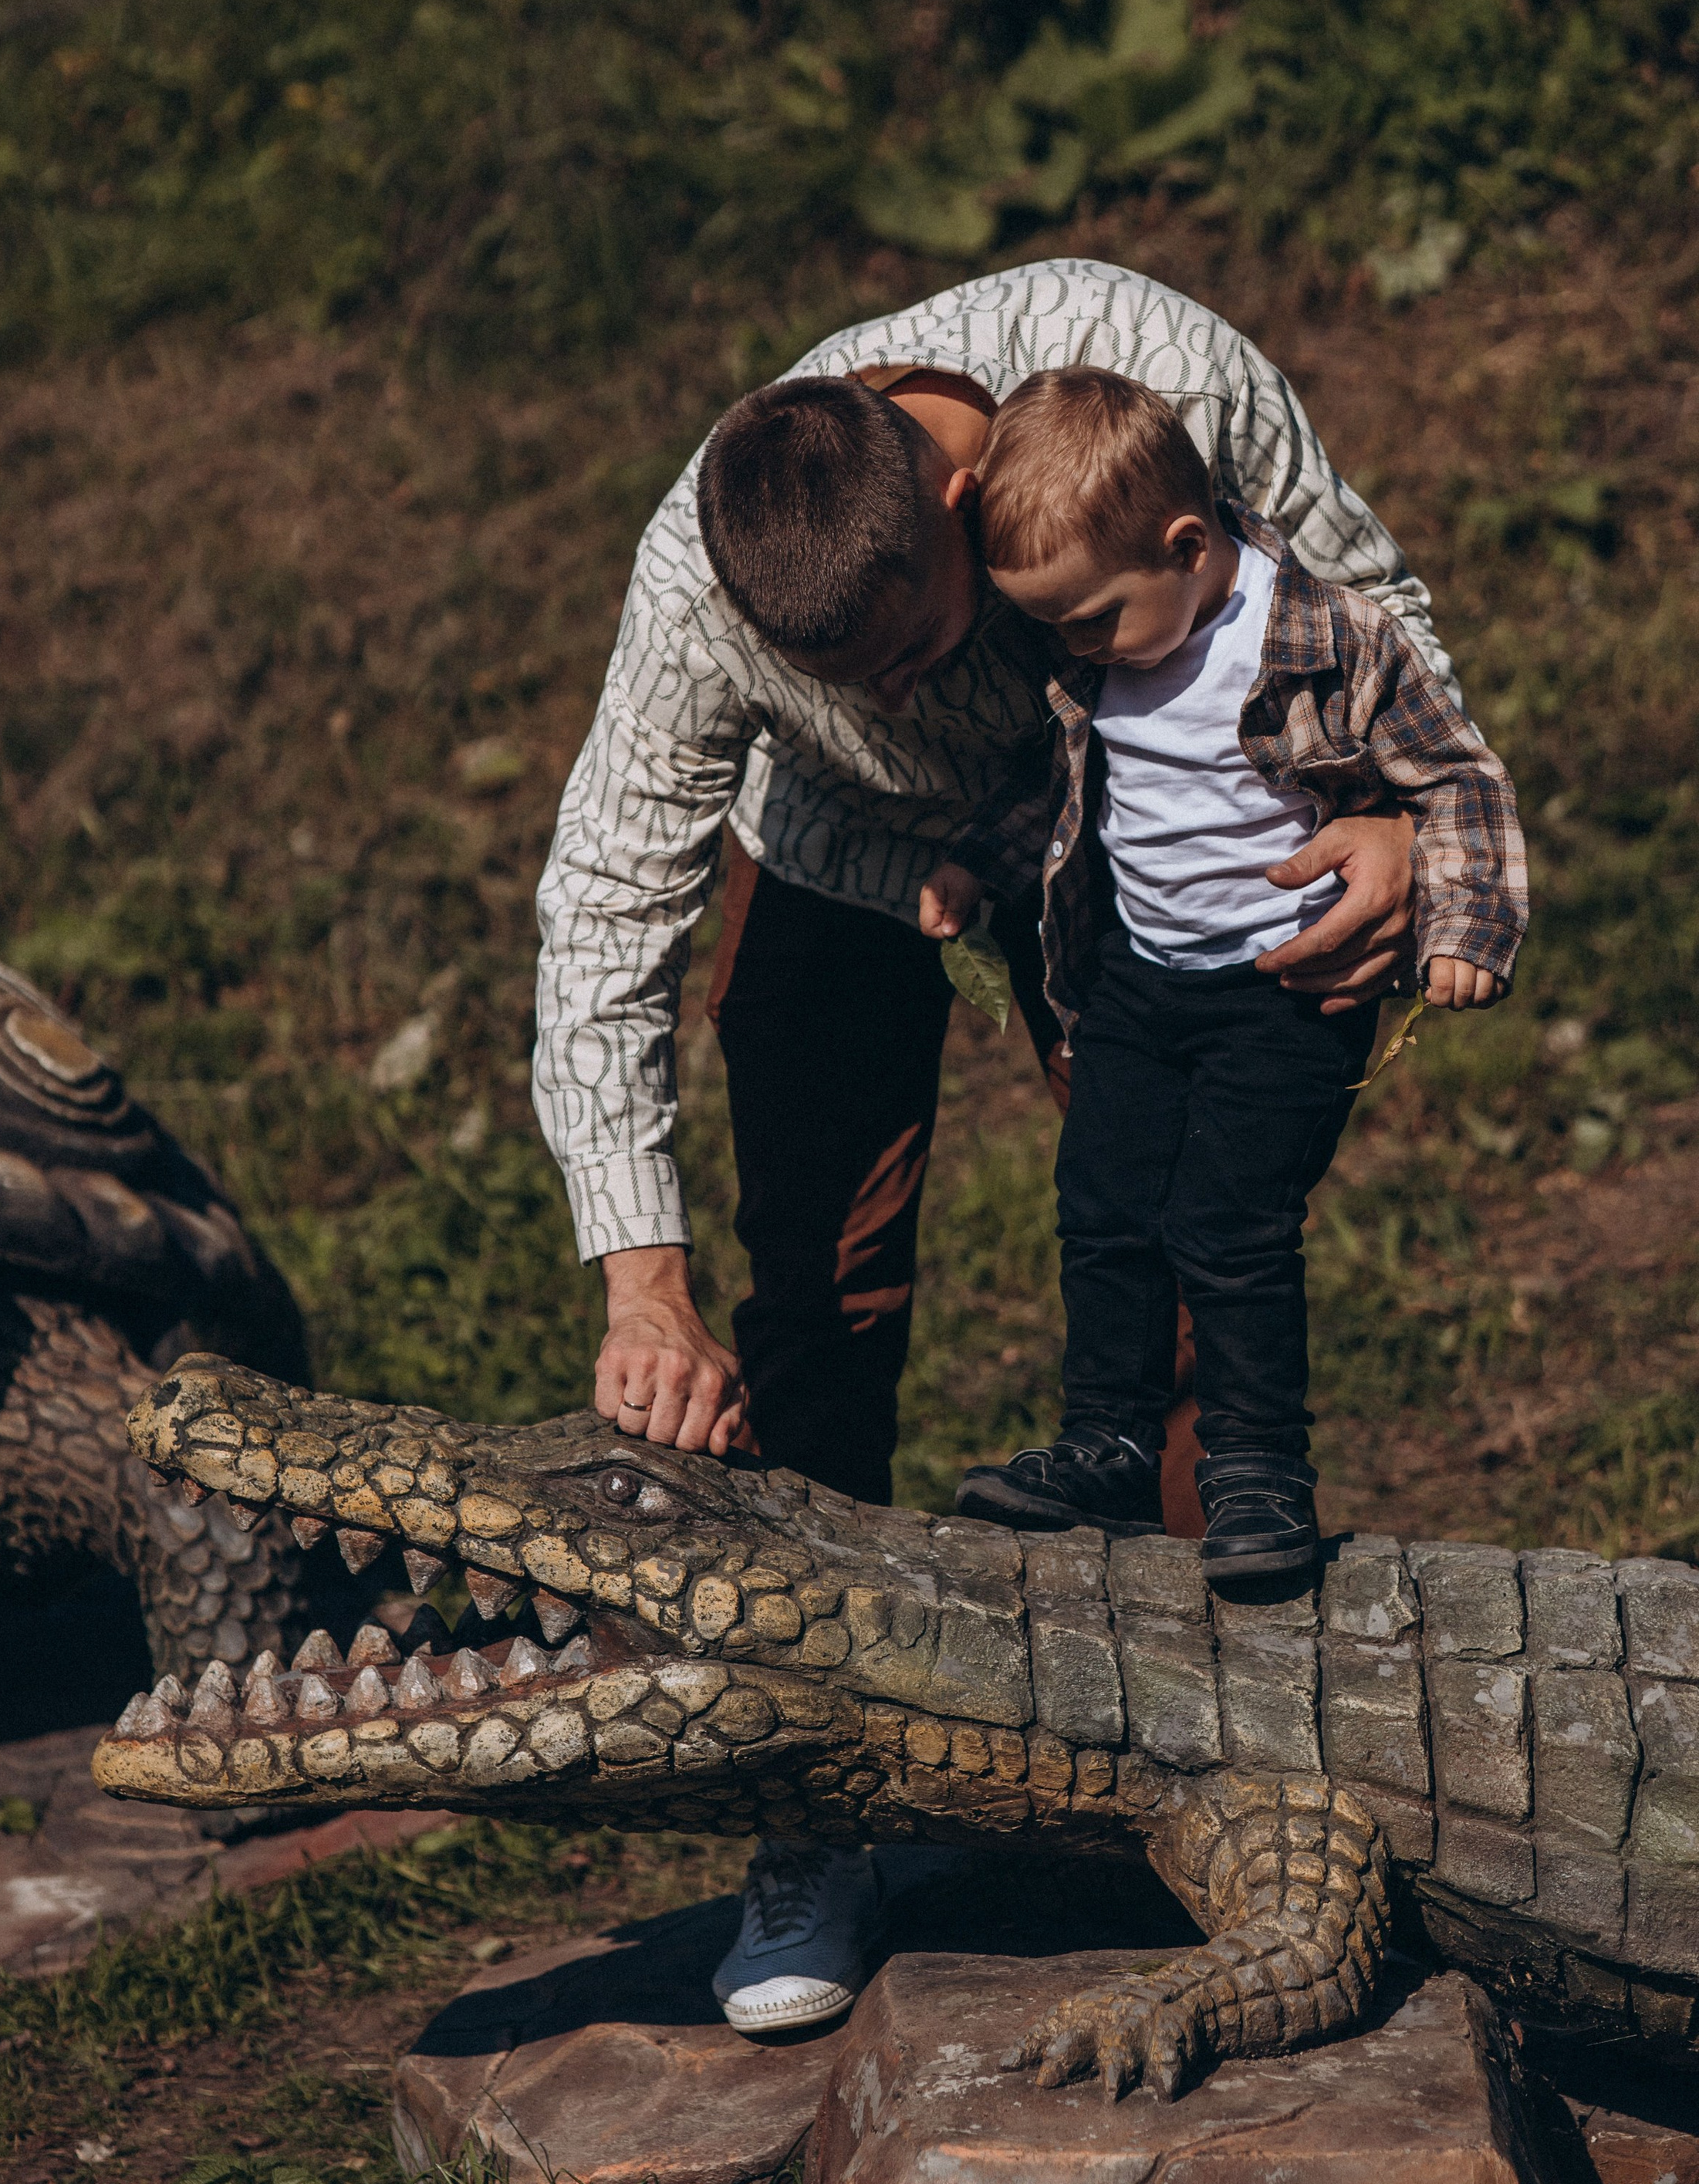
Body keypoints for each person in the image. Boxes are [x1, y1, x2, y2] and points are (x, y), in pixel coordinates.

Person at [532, 258, 1456, 2035]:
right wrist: (639, 1286)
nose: (900, 686)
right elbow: (600, 910)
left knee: (1185, 1249)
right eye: (849, 675)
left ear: (966, 507)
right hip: (836, 855)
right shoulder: (692, 591)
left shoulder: (1142, 367)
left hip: (1129, 826)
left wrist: (1402, 829)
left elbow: (1368, 608)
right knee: (815, 1288)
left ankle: (1246, 1777)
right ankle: (813, 1814)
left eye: (926, 649)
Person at [920, 366, 1525, 1585]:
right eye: (1054, 627)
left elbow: (1457, 780)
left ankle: (1256, 1471)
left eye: (1090, 618)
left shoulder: (1325, 640)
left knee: (1228, 1227)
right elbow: (1061, 792)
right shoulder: (1097, 659)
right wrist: (977, 868)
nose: (1073, 645)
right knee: (1102, 1203)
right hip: (1141, 984)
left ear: (1187, 546)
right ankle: (1108, 1440)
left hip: (1282, 994)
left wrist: (1464, 929)